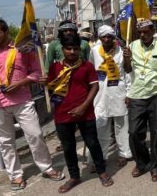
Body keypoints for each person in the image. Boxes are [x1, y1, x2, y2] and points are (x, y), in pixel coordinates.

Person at [0, 19, 64, 191]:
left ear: (6, 32)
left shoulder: (24, 50)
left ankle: (46, 167)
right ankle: (16, 175)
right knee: (5, 142)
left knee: (35, 135)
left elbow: (36, 72)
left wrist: (21, 83)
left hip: (22, 100)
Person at [41, 34, 113, 193]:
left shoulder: (87, 66)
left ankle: (102, 172)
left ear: (80, 49)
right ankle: (74, 176)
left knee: (93, 143)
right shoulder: (54, 68)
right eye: (69, 49)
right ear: (63, 49)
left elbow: (95, 87)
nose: (72, 52)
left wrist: (83, 106)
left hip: (85, 112)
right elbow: (51, 89)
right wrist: (44, 83)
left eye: (75, 49)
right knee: (68, 147)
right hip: (62, 113)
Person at [123, 19, 157, 182]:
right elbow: (127, 69)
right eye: (140, 32)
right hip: (137, 94)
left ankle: (156, 166)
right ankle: (142, 162)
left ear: (153, 30)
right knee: (133, 132)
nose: (143, 35)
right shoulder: (131, 46)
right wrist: (126, 58)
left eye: (146, 31)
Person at [88, 25, 132, 168]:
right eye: (104, 36)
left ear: (114, 37)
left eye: (109, 36)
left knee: (122, 125)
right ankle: (100, 157)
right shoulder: (94, 51)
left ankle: (124, 153)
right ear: (100, 38)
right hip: (100, 93)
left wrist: (129, 93)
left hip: (119, 91)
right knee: (101, 126)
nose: (107, 39)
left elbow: (127, 74)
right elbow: (89, 71)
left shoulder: (122, 51)